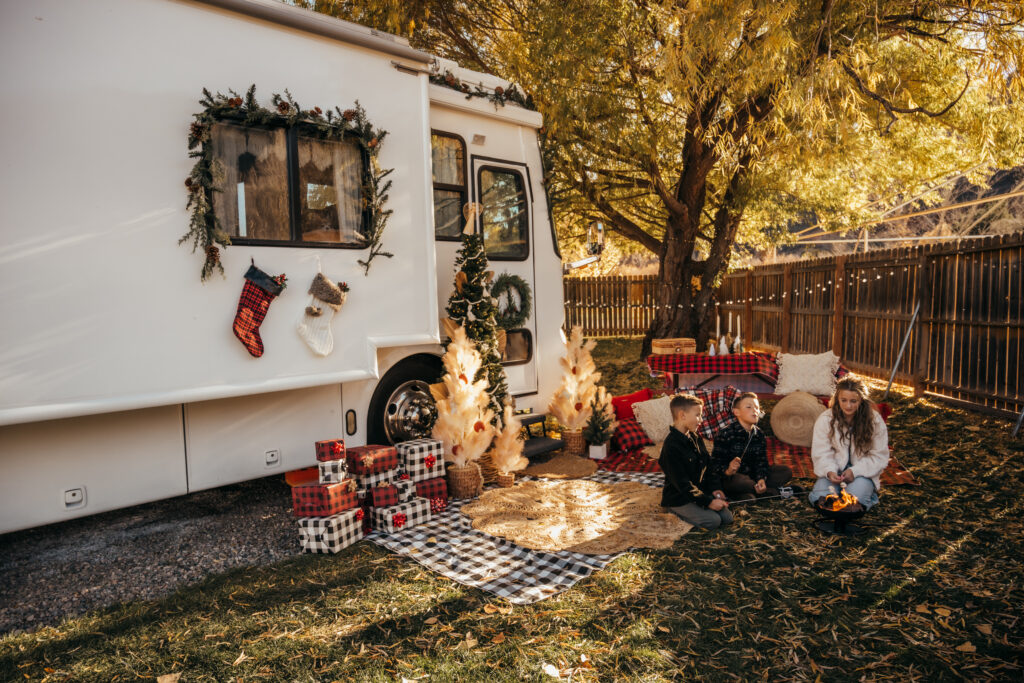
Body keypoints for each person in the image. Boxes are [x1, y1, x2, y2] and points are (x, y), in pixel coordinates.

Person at [809, 376, 890, 511]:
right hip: (834, 472)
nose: (848, 406)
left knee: (853, 503)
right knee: (822, 499)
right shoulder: (826, 419)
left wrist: (854, 471)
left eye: (853, 401)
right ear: (837, 399)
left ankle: (864, 493)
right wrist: (829, 471)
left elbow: (879, 455)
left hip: (863, 472)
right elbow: (821, 452)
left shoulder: (874, 421)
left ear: (861, 400)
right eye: (844, 400)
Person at [659, 394, 733, 530]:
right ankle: (672, 511)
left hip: (699, 493)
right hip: (680, 498)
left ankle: (700, 510)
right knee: (713, 521)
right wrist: (708, 502)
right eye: (698, 415)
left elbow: (708, 466)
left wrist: (715, 489)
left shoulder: (695, 436)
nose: (701, 420)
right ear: (682, 415)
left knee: (727, 518)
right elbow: (683, 485)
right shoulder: (671, 446)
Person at [712, 392, 794, 501]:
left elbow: (762, 462)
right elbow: (714, 465)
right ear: (736, 412)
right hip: (733, 479)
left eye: (757, 407)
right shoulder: (725, 433)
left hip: (753, 477)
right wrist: (727, 470)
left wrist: (761, 479)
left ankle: (751, 493)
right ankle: (771, 492)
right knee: (740, 482)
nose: (754, 410)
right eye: (749, 407)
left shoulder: (759, 434)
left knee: (785, 471)